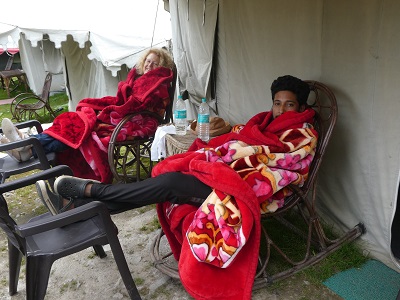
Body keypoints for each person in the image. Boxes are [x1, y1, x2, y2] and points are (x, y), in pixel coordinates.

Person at [36, 74, 318, 299]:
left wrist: (235, 155)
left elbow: (284, 165)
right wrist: (227, 151)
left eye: (289, 104)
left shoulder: (302, 135)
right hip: (226, 176)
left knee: (169, 183)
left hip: (242, 188)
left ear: (301, 108)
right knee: (166, 182)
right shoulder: (265, 123)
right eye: (277, 102)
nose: (281, 109)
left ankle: (90, 193)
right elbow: (242, 139)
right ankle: (83, 204)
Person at [0, 48, 175, 183]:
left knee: (78, 129)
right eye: (148, 61)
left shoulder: (157, 85)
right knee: (71, 123)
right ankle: (29, 146)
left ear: (161, 68)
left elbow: (139, 106)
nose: (149, 66)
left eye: (155, 64)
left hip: (136, 122)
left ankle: (29, 144)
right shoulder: (140, 79)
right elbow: (125, 99)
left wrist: (116, 104)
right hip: (122, 116)